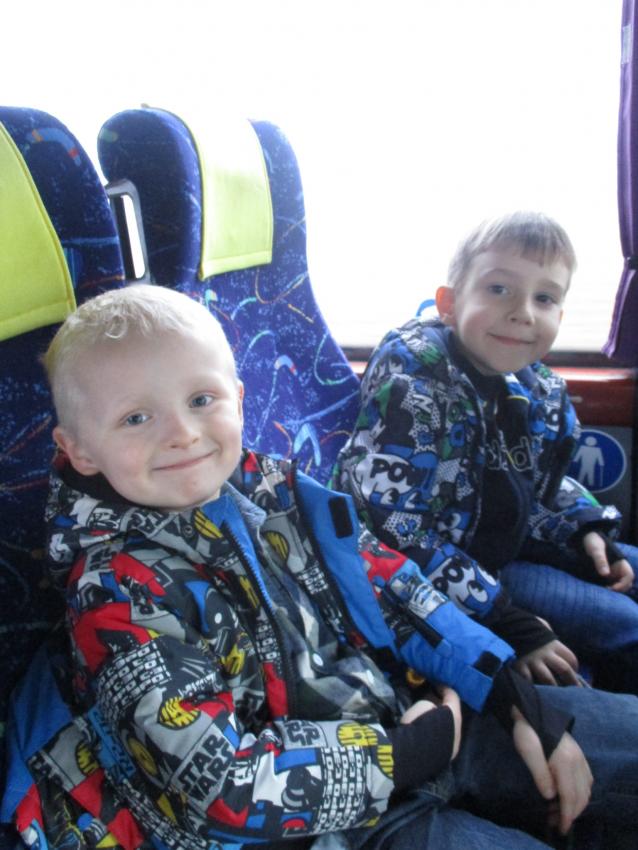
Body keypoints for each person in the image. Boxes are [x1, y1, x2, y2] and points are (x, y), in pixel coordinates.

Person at [4, 283, 638, 850]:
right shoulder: (115, 594)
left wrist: (502, 690)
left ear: (238, 399)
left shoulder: (274, 492)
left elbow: (390, 584)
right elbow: (219, 785)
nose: (182, 433)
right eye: (136, 417)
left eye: (201, 399)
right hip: (306, 825)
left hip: (394, 715)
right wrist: (402, 757)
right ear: (79, 450)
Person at [334, 211, 638, 695]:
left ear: (560, 316)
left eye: (545, 298)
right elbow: (392, 531)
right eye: (499, 289)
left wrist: (584, 527)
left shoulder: (532, 387)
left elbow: (540, 482)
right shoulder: (413, 392)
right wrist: (504, 619)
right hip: (448, 577)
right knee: (626, 623)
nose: (523, 312)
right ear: (450, 305)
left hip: (503, 547)